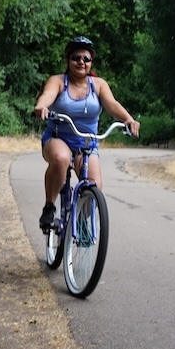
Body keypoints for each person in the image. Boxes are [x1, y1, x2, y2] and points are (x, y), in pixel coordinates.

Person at [33, 36, 140, 232]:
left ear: (91, 62)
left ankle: (81, 220)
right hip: (58, 138)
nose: (81, 62)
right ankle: (49, 206)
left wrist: (128, 119)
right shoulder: (58, 81)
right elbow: (47, 95)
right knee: (61, 158)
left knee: (94, 185)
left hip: (87, 144)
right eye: (76, 57)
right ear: (68, 60)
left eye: (86, 58)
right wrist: (41, 107)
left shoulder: (98, 85)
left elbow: (112, 104)